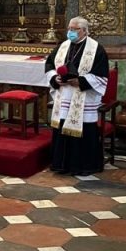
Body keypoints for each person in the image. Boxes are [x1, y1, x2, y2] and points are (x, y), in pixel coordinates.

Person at [44, 16, 110, 176]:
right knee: (61, 128)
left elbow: (101, 76)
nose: (70, 32)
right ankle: (61, 165)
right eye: (69, 29)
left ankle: (83, 166)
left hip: (83, 97)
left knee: (84, 132)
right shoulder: (62, 46)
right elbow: (50, 64)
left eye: (74, 29)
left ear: (85, 31)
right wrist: (55, 78)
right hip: (64, 95)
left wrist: (80, 81)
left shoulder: (96, 49)